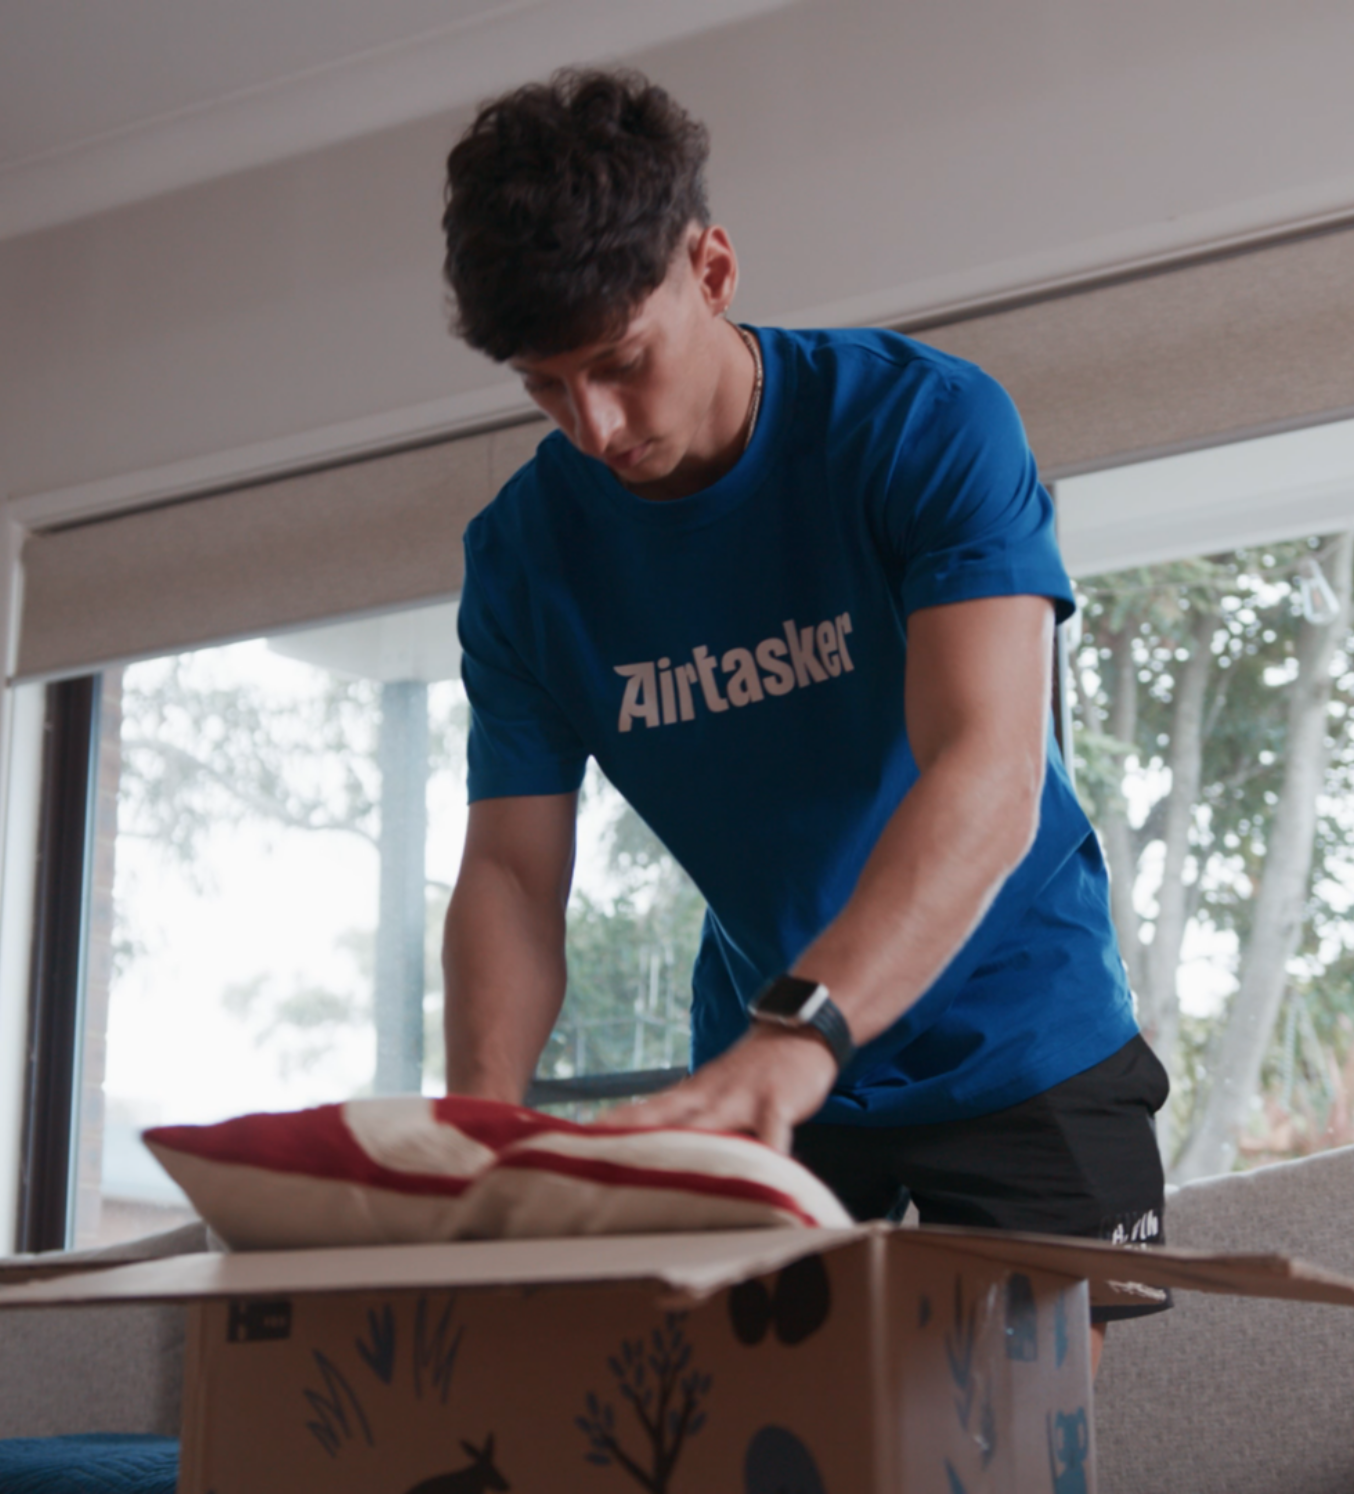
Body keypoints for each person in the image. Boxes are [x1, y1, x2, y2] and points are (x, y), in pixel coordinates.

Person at [435, 69, 1170, 1336]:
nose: (594, 426)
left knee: (1004, 1454)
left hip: (1016, 1037)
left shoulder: (924, 428)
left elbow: (984, 774)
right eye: (544, 388)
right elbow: (509, 872)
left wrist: (807, 1028)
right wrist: (480, 1139)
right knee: (734, 1444)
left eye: (618, 364)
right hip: (761, 1060)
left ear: (710, 270)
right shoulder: (520, 560)